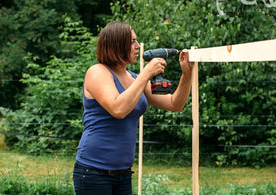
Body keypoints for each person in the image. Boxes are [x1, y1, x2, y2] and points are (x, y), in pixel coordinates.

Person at [73, 21, 193, 195]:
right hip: (93, 172)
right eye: (132, 42)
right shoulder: (97, 72)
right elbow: (118, 109)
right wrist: (145, 75)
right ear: (116, 45)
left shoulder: (134, 78)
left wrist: (186, 74)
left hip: (123, 173)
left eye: (137, 41)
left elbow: (175, 104)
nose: (137, 46)